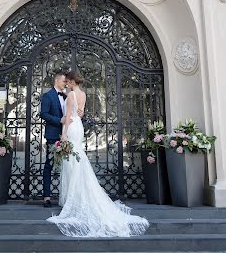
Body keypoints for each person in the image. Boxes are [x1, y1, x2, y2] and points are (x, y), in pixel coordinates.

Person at [47, 70, 149, 237]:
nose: (66, 83)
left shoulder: (71, 95)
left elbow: (67, 116)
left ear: (72, 81)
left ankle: (75, 198)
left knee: (72, 160)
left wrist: (64, 134)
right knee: (76, 158)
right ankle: (78, 195)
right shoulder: (83, 94)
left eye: (68, 81)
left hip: (71, 127)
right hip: (78, 126)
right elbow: (80, 113)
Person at [40, 69, 80, 208]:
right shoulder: (48, 96)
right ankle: (46, 197)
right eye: (64, 81)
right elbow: (43, 114)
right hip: (53, 135)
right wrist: (60, 120)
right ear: (57, 81)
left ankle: (70, 196)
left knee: (69, 165)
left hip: (68, 135)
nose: (66, 83)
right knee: (49, 165)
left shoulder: (68, 95)